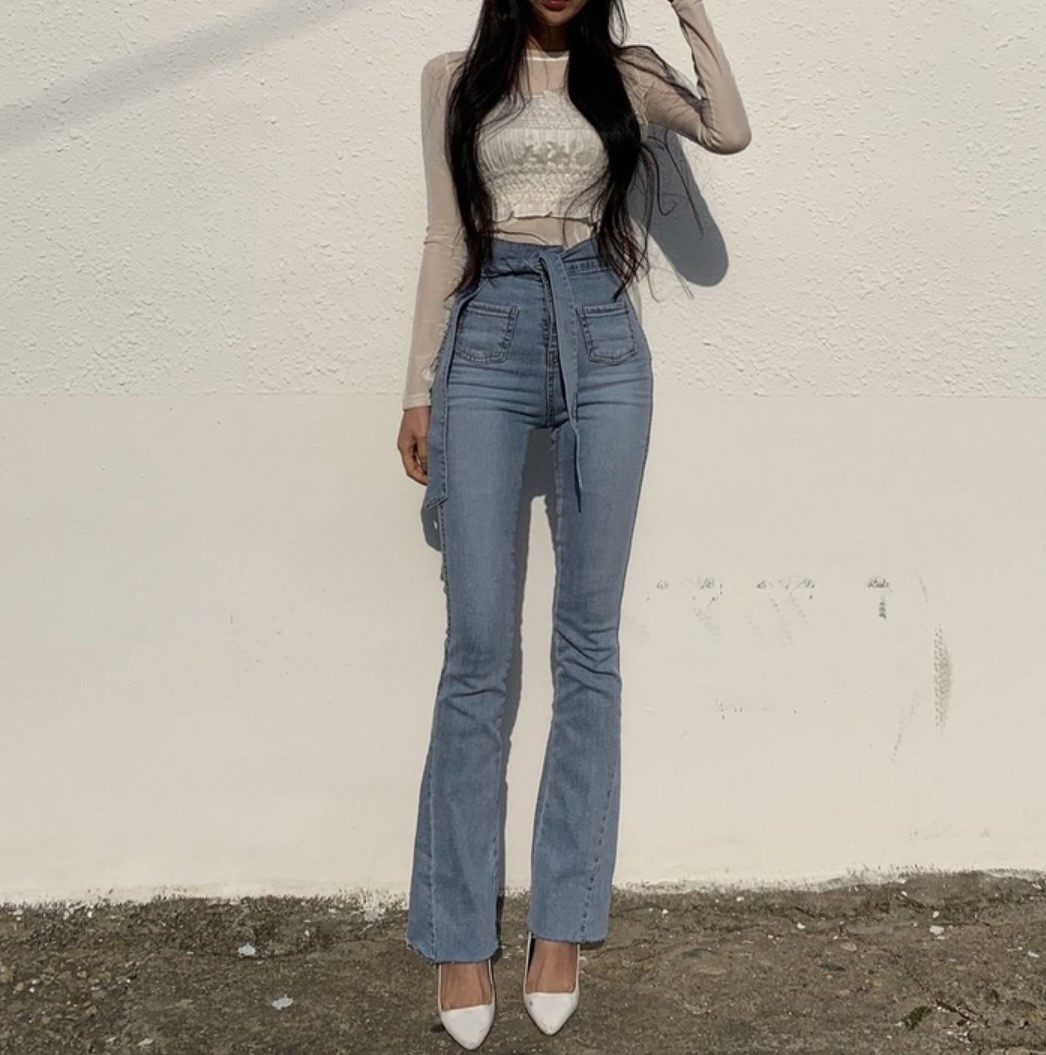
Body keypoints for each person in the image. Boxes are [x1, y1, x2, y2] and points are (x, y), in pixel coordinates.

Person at [395, 0, 750, 1046]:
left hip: (602, 338)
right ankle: (460, 933)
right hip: (488, 333)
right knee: (477, 652)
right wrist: (418, 389)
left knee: (587, 646)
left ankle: (561, 924)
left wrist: (688, 9)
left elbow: (727, 129)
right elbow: (443, 232)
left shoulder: (626, 74)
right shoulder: (451, 77)